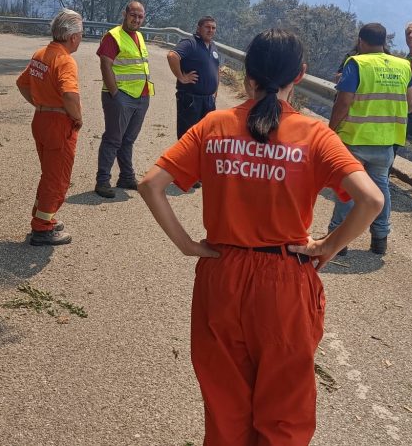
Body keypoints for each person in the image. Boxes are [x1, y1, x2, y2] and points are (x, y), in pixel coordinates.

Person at [139, 28, 383, 446]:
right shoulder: (315, 135)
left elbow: (150, 185)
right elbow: (371, 200)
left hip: (222, 275)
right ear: (300, 75)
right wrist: (327, 246)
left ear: (246, 73)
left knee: (225, 407)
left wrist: (187, 245)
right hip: (284, 281)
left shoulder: (214, 126)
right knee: (284, 414)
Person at [327, 23, 412, 256]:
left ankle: (338, 239)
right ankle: (380, 239)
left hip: (355, 137)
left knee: (348, 189)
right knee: (381, 187)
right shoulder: (404, 66)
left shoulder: (356, 63)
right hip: (386, 140)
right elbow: (410, 101)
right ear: (384, 41)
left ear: (361, 41)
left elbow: (343, 102)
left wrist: (330, 129)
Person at [16, 9, 84, 246]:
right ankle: (42, 229)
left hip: (41, 120)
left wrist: (40, 104)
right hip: (58, 125)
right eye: (81, 34)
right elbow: (69, 94)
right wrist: (77, 118)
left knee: (49, 174)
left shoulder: (40, 54)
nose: (81, 39)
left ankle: (44, 217)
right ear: (73, 37)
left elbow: (22, 83)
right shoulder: (65, 60)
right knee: (57, 178)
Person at [94, 0, 154, 198]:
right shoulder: (114, 36)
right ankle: (103, 181)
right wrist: (115, 94)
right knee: (113, 139)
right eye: (133, 15)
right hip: (121, 96)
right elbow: (105, 64)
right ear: (125, 14)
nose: (136, 19)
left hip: (141, 96)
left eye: (140, 16)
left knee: (128, 140)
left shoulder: (139, 36)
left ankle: (126, 177)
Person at [167, 16, 220, 139]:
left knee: (206, 136)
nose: (210, 30)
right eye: (207, 27)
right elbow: (172, 56)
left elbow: (216, 68)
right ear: (198, 28)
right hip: (190, 99)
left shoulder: (213, 46)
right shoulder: (190, 43)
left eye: (213, 28)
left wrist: (215, 90)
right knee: (188, 137)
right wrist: (181, 77)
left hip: (208, 101)